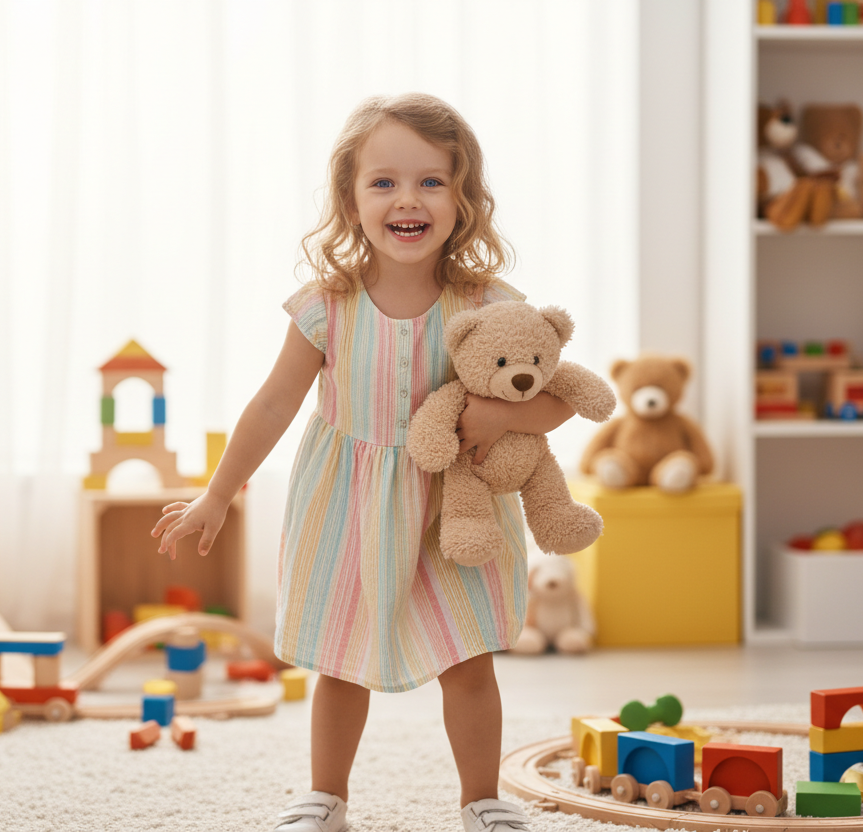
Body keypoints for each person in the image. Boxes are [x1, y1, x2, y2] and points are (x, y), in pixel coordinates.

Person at [152, 93, 576, 832]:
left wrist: (502, 415)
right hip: (348, 505)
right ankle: (327, 797)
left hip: (454, 512)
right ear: (351, 201)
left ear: (463, 198)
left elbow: (559, 399)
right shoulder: (327, 306)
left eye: (431, 181)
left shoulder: (490, 304)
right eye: (384, 182)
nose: (407, 199)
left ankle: (481, 799)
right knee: (341, 663)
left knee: (469, 658)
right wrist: (218, 494)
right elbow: (273, 404)